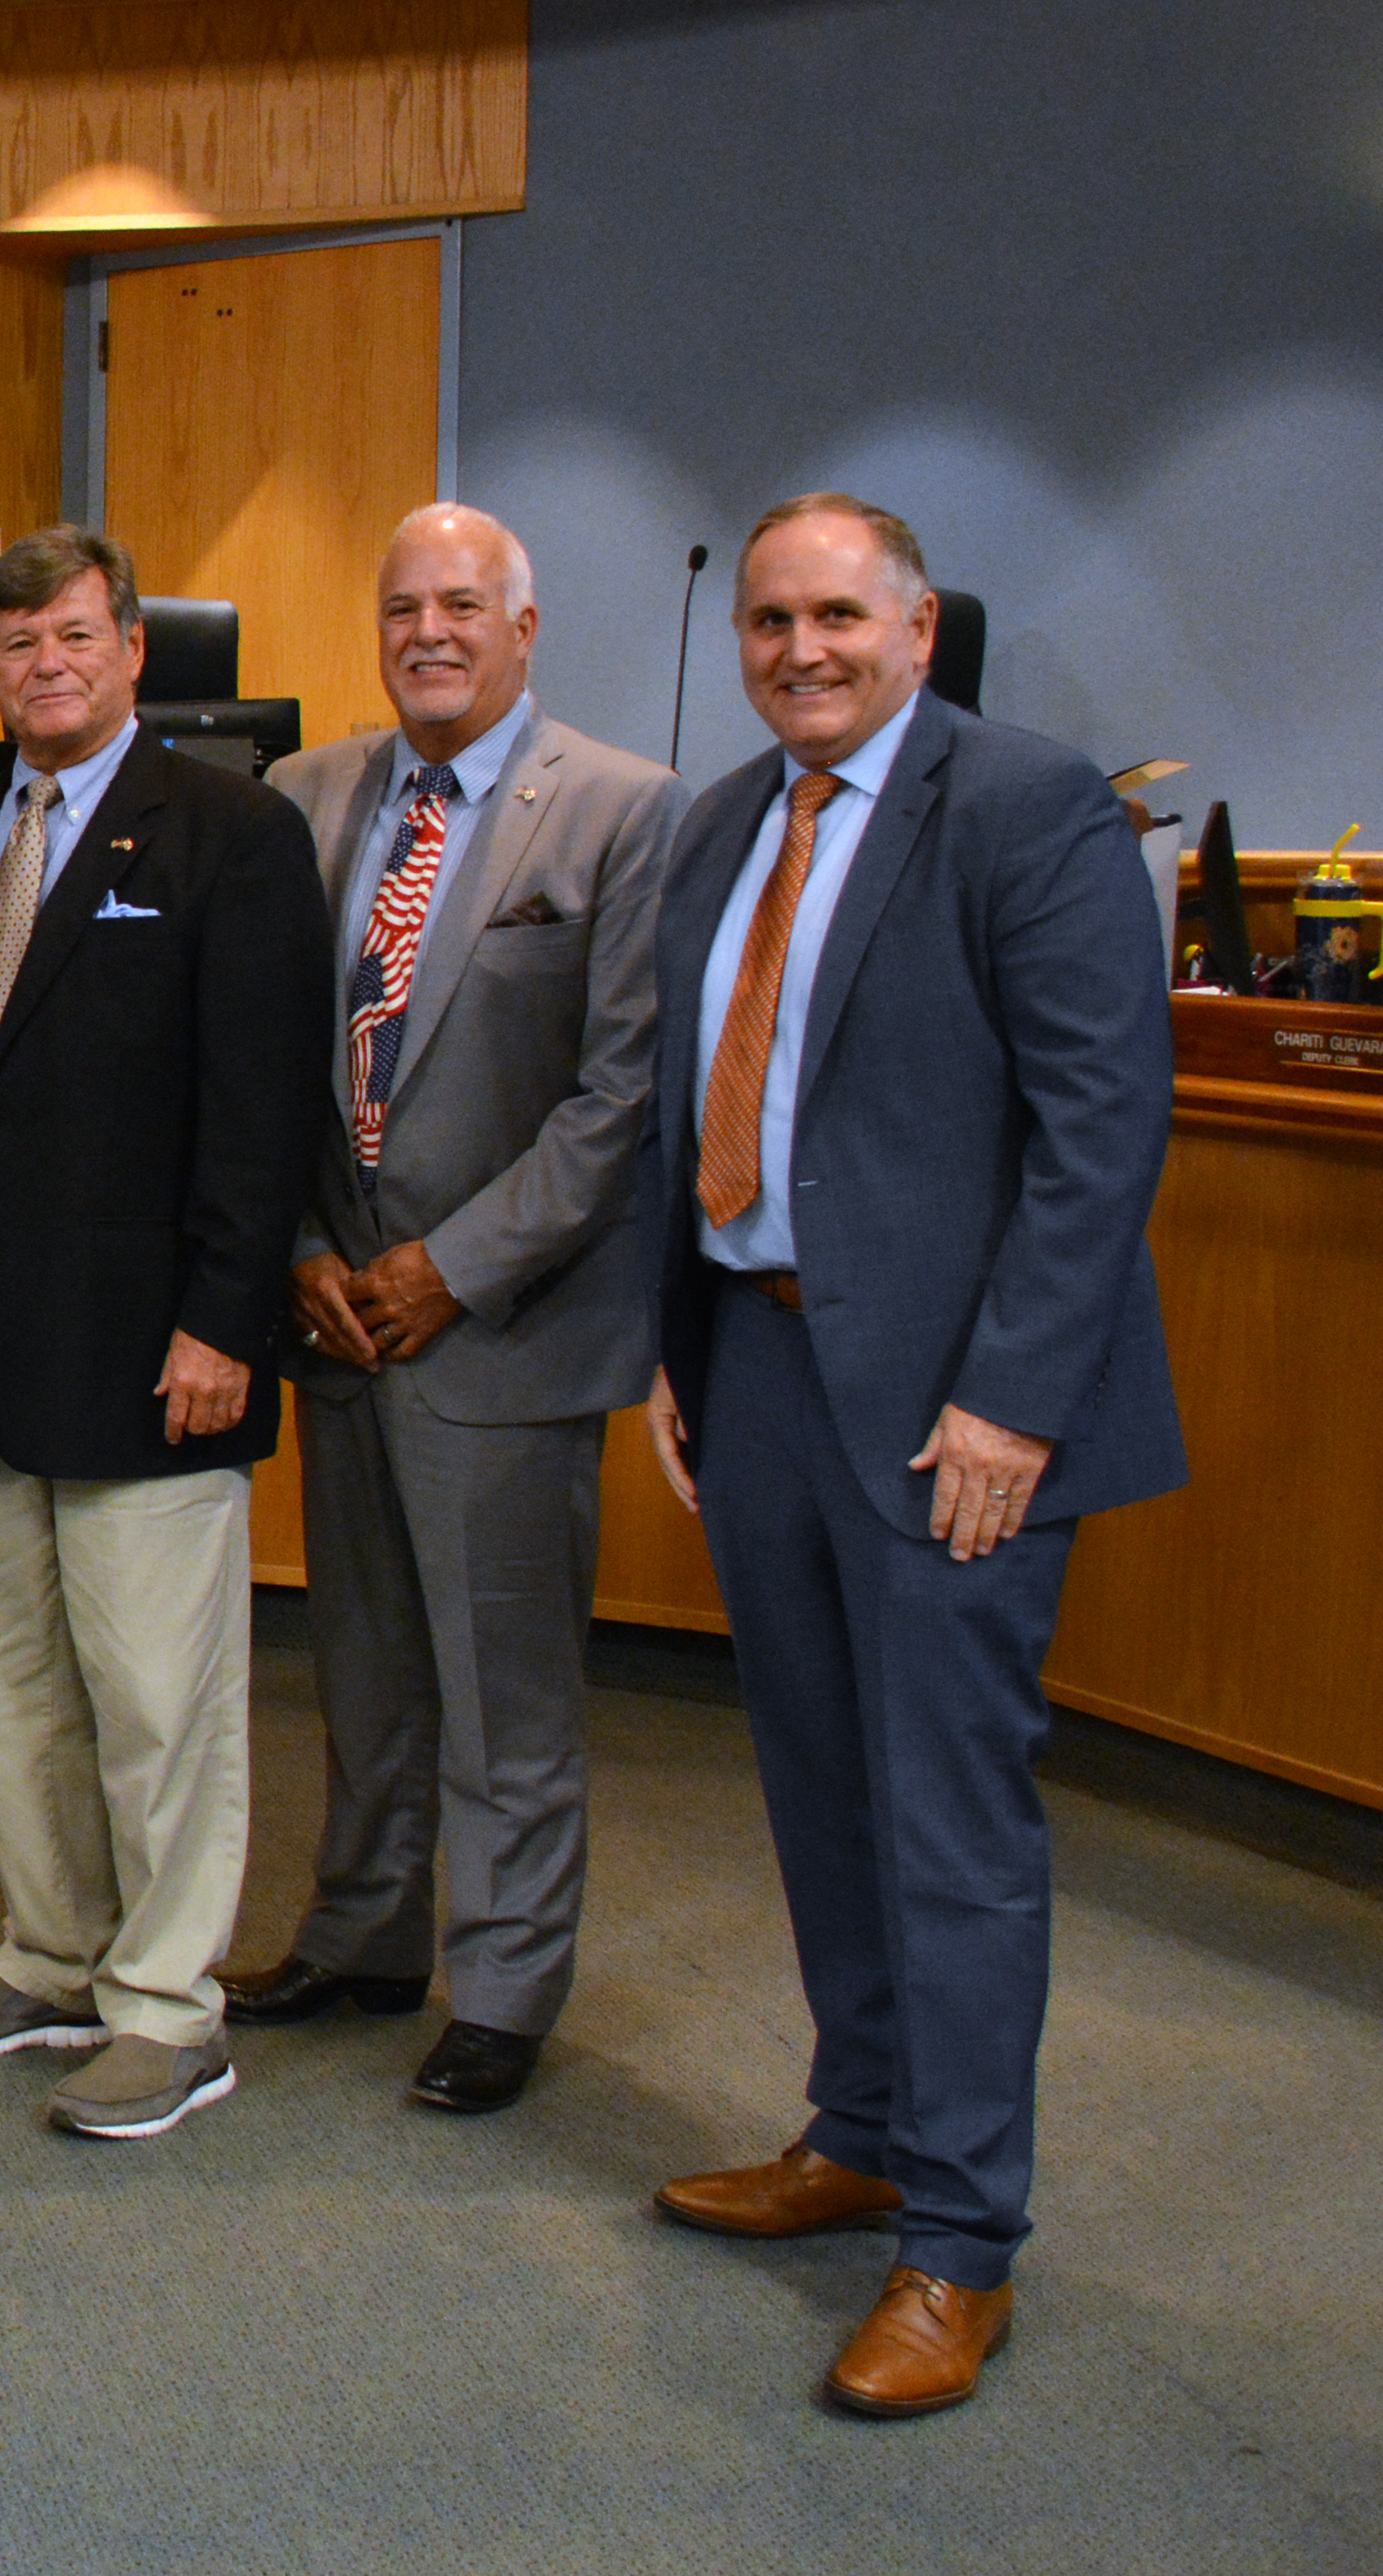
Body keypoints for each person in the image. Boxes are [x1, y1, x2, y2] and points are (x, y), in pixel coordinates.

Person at [640, 494, 1181, 2417]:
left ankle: (959, 2243)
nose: (800, 648)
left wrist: (1017, 1401)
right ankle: (857, 2127)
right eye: (772, 621)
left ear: (920, 622)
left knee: (950, 1825)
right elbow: (686, 1108)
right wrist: (679, 1355)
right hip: (762, 1377)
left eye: (839, 616)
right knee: (814, 1785)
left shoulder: (1027, 808)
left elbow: (1101, 1132)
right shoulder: (726, 824)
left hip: (959, 1410)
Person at [219, 504, 681, 2116]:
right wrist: (295, 1247)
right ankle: (362, 1933)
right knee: (364, 1666)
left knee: (505, 1690)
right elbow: (264, 1058)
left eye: (463, 604)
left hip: (497, 1324)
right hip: (337, 1314)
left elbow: (619, 1105)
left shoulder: (627, 811)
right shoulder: (305, 795)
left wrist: (448, 1267)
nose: (430, 629)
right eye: (403, 603)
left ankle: (501, 1985)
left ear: (525, 626)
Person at [0, 526, 329, 2142]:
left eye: (71, 637)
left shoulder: (234, 832)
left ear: (134, 648)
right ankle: (51, 1949)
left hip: (160, 1352)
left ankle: (166, 2003)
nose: (42, 666)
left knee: (157, 1695)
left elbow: (262, 1112)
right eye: (14, 645)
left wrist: (228, 1321)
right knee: (3, 1688)